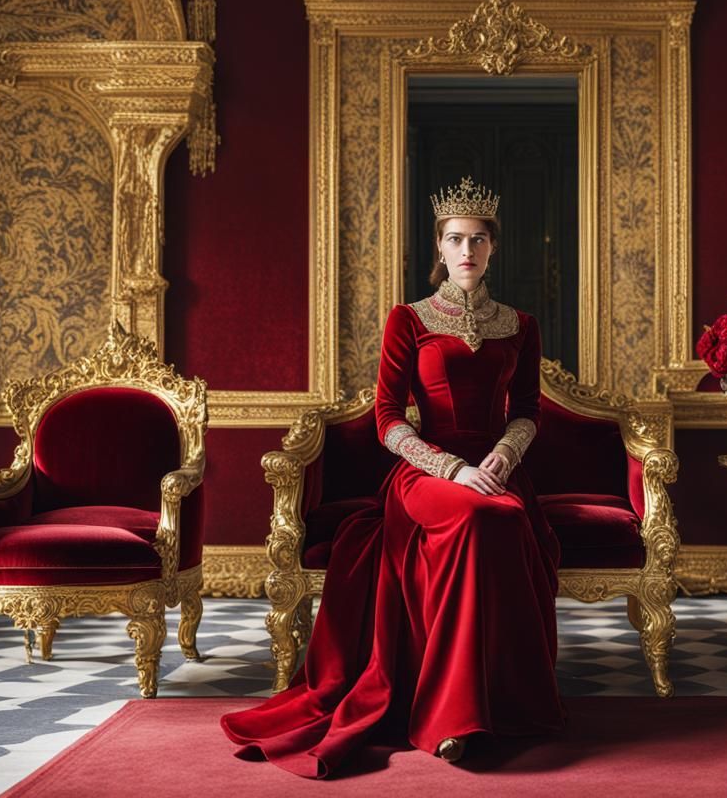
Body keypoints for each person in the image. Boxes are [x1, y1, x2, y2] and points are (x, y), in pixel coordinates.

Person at [221, 176, 564, 777]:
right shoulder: (409, 318)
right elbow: (385, 419)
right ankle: (448, 716)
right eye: (455, 240)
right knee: (482, 515)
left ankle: (489, 705)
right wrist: (451, 467)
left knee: (502, 518)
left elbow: (528, 413)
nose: (466, 251)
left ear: (492, 250)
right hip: (425, 471)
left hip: (496, 470)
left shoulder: (520, 324)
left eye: (478, 240)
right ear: (439, 248)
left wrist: (503, 458)